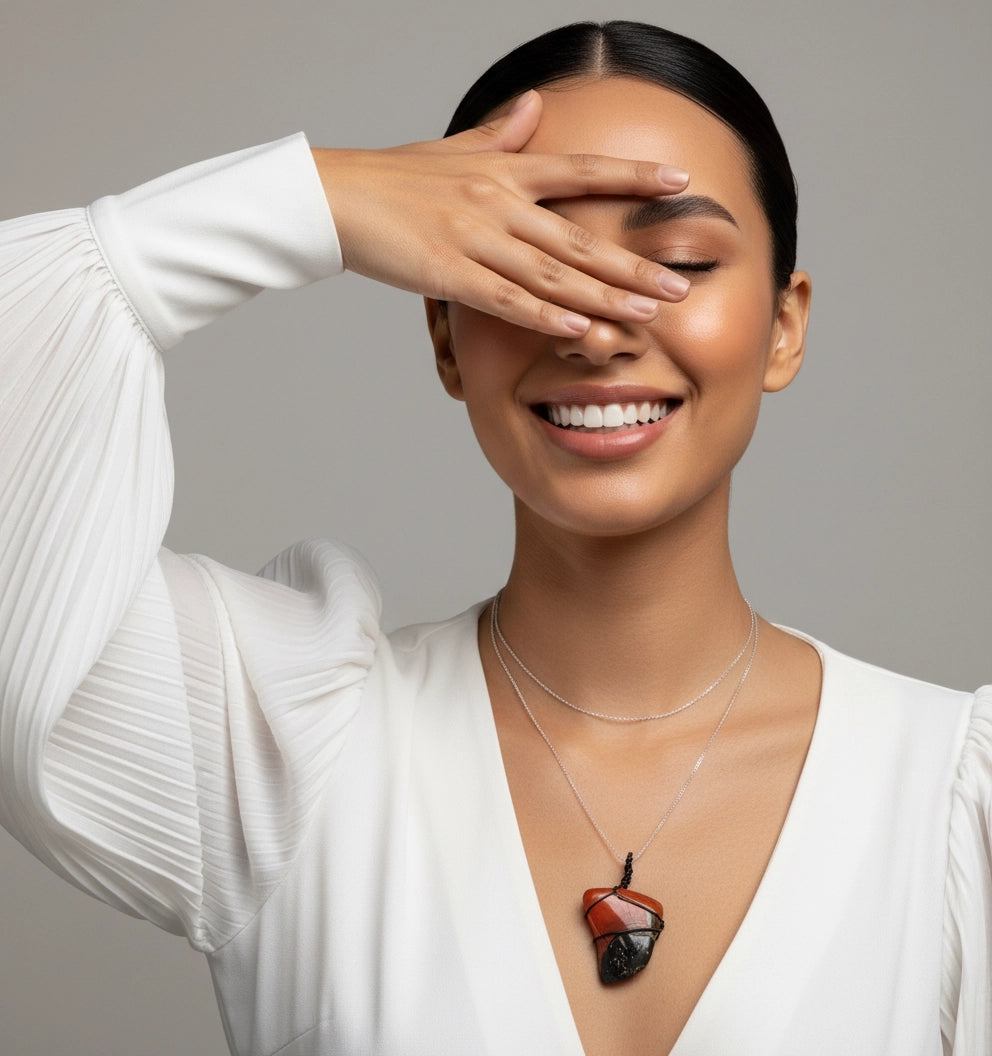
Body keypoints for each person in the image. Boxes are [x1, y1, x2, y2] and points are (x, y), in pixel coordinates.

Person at [0, 18, 988, 1056]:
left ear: (782, 326)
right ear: (443, 334)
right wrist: (315, 199)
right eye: (523, 255)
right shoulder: (280, 754)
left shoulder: (949, 802)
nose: (593, 322)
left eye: (681, 261)